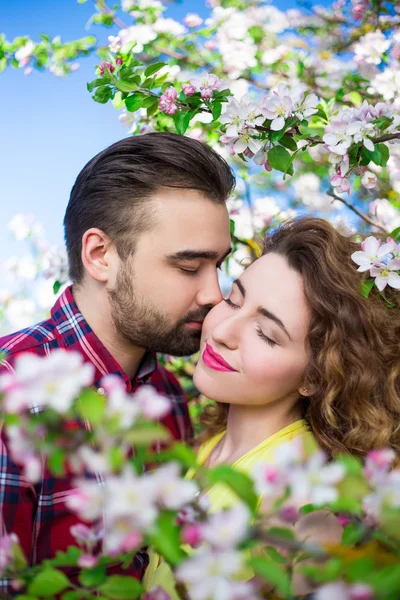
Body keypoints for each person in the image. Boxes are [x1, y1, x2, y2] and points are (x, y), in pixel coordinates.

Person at [0, 132, 235, 590]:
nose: (214, 295)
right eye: (189, 267)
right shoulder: (11, 389)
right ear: (100, 256)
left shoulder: (168, 394)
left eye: (218, 266)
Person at [144, 216, 400, 597]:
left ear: (315, 376)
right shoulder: (206, 446)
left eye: (266, 334)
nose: (222, 332)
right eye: (233, 300)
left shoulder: (297, 497)